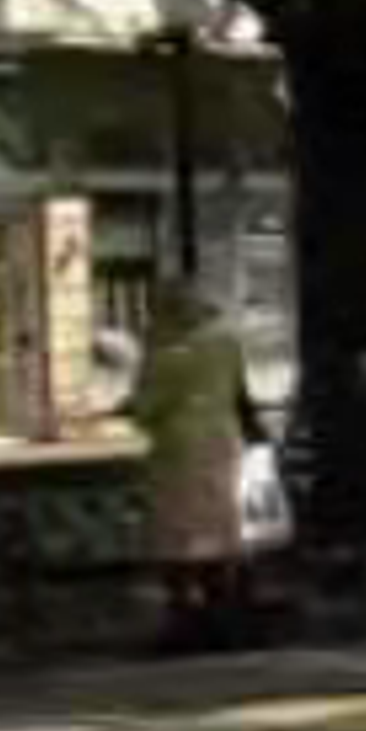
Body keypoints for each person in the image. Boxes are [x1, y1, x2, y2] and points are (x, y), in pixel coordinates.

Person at [134, 268, 255, 646]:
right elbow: (240, 391)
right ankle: (225, 618)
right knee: (220, 534)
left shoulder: (169, 353)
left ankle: (185, 621)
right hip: (223, 444)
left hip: (178, 451)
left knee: (176, 542)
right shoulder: (226, 341)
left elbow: (146, 407)